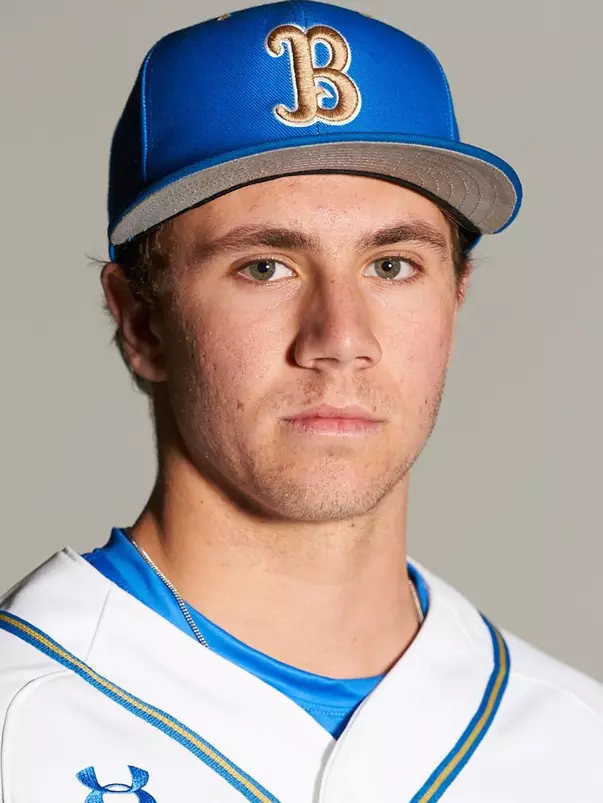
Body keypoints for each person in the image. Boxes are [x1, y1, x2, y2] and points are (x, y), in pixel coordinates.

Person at [1, 1, 602, 800]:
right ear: (141, 319)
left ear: (455, 298)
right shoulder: (20, 719)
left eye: (391, 265)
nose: (338, 336)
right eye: (263, 266)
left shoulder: (576, 742)